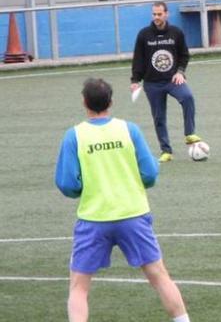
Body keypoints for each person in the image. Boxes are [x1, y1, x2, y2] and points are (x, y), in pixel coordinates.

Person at [54, 78, 190, 322]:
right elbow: (150, 173)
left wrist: (83, 189)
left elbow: (67, 184)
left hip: (94, 218)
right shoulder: (129, 130)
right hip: (133, 214)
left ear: (84, 102)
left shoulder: (74, 135)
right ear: (111, 102)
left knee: (78, 288)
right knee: (159, 277)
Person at [131, 1, 202, 163]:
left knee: (188, 97)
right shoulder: (144, 34)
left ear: (166, 14)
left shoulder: (176, 33)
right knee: (159, 117)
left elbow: (184, 55)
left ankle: (190, 134)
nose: (156, 17)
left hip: (172, 80)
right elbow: (138, 59)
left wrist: (180, 72)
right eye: (154, 14)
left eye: (159, 14)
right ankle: (166, 151)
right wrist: (135, 80)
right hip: (152, 83)